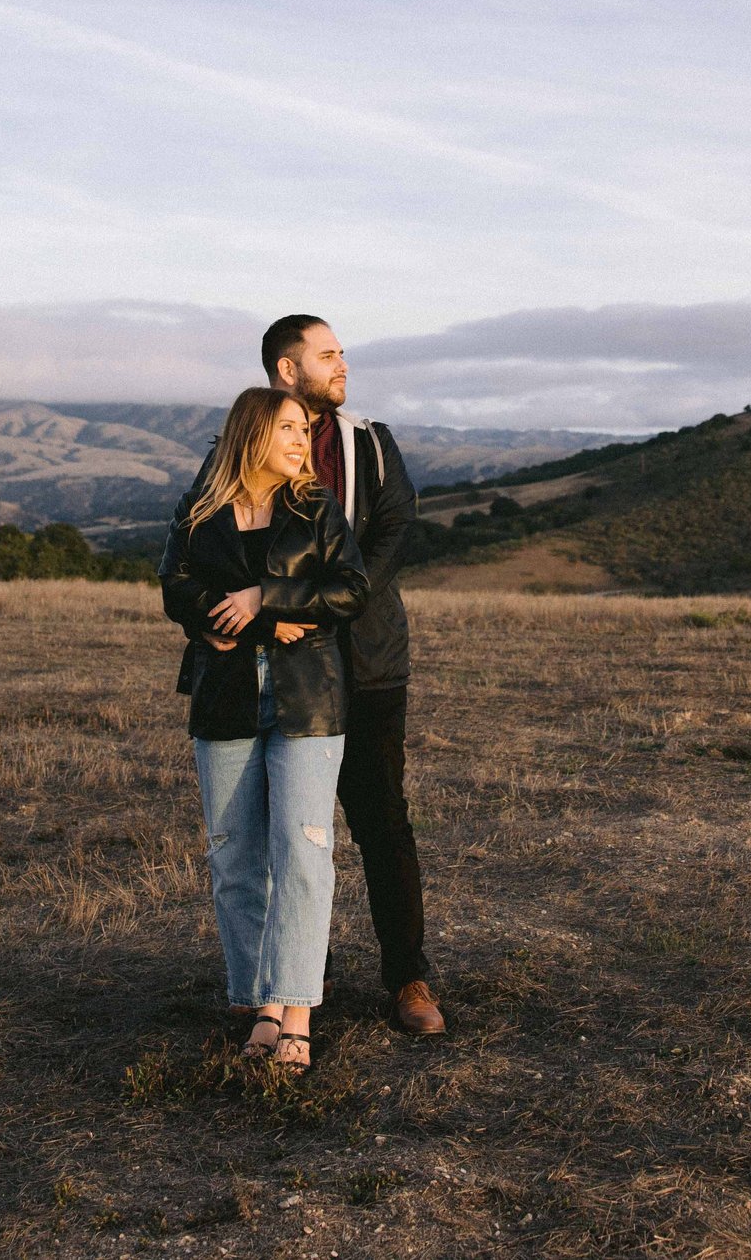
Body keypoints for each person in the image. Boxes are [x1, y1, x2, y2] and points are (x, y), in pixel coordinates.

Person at [159, 385, 371, 1071]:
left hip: (307, 700)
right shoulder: (204, 511)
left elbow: (350, 588)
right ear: (251, 433)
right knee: (234, 856)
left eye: (305, 431)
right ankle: (260, 1006)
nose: (301, 441)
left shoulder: (316, 509)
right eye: (288, 428)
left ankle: (297, 1012)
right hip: (224, 698)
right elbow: (174, 584)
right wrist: (248, 621)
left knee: (303, 853)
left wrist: (266, 595)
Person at [260, 315, 445, 1036]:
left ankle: (408, 976)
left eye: (342, 352)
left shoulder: (372, 441)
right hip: (284, 666)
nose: (344, 363)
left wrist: (338, 598)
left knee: (383, 822)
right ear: (287, 369)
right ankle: (294, 979)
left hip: (368, 662)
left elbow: (398, 527)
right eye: (328, 353)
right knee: (288, 831)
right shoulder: (252, 442)